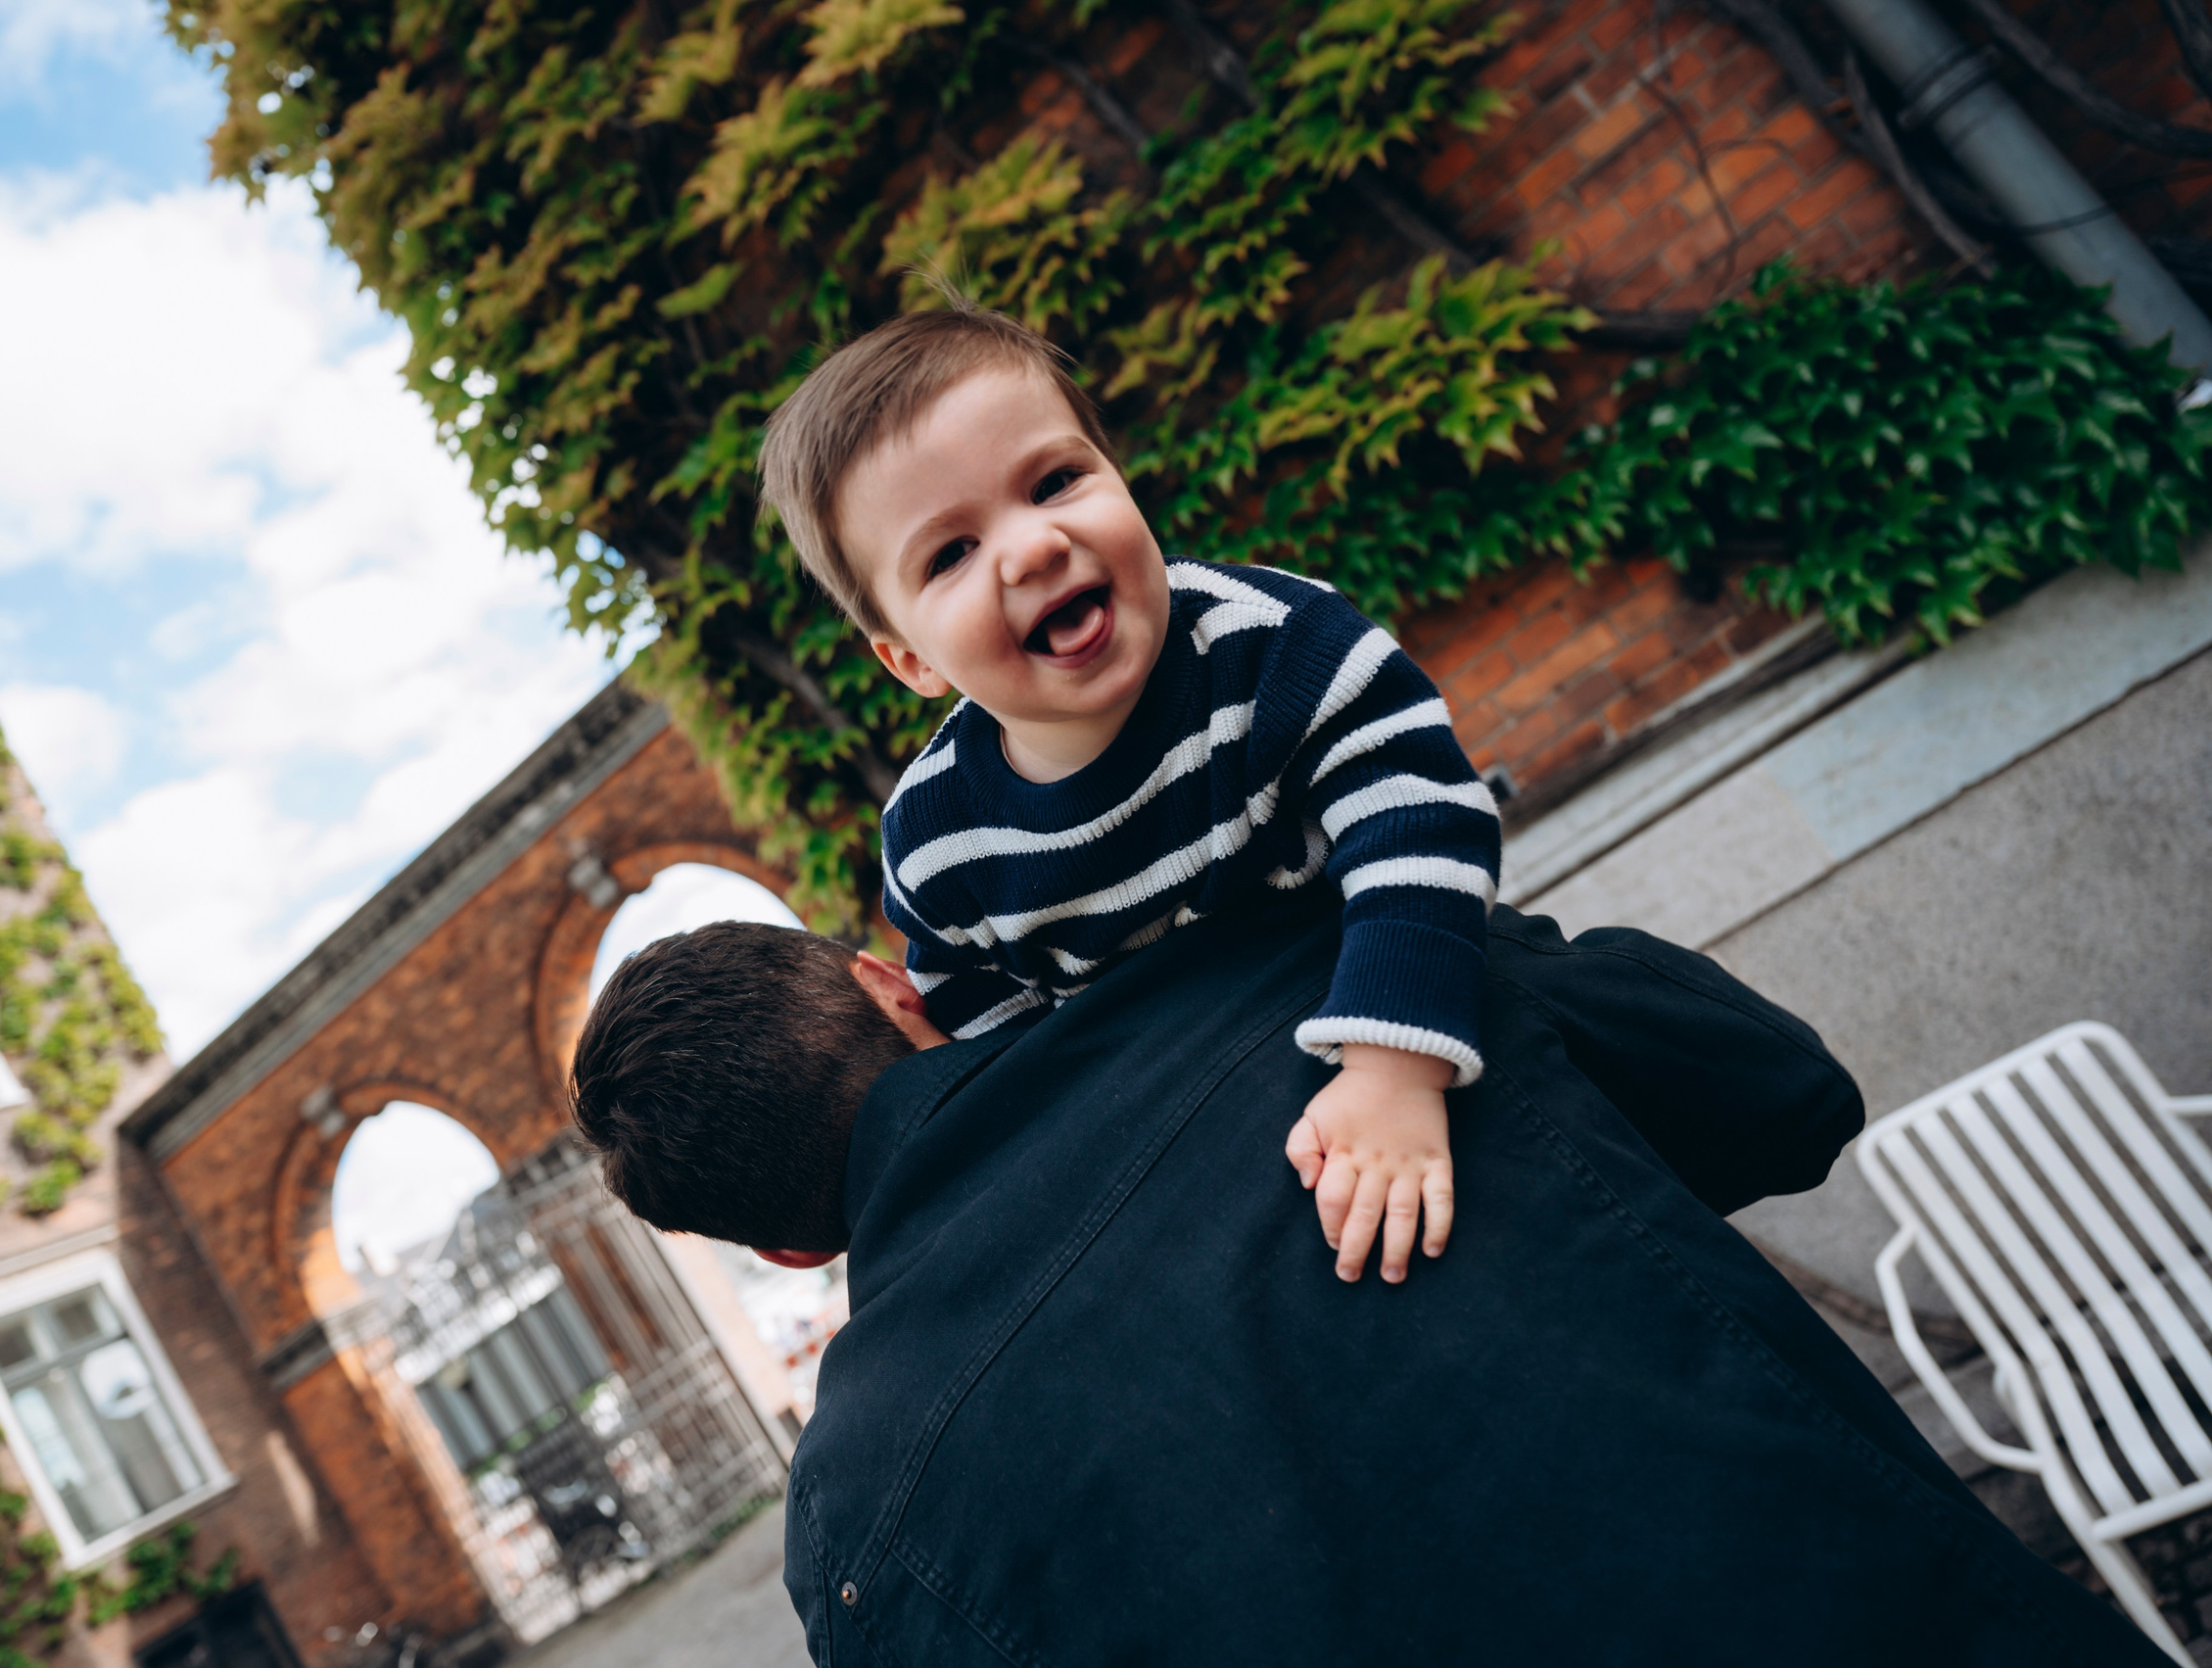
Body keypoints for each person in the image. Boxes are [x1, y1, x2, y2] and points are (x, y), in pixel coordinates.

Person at [569, 903, 2170, 1666]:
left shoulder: (859, 1540)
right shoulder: (1320, 989)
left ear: (776, 1241)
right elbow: (1778, 1088)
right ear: (886, 989)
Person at [760, 303, 1501, 1283]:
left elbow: (1424, 818)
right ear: (908, 659)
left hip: (1379, 1021)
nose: (1029, 548)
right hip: (1189, 1146)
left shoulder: (1273, 643)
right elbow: (1002, 1049)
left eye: (1055, 481)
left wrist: (1392, 1070)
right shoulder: (941, 844)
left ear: (1118, 472)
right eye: (950, 554)